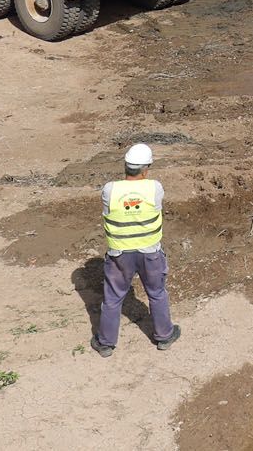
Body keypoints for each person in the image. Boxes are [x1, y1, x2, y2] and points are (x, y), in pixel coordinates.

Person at [93, 142, 180, 356]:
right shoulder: (155, 188)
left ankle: (105, 343)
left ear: (125, 165)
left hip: (119, 255)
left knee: (113, 298)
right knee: (157, 293)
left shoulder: (109, 190)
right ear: (146, 168)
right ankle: (164, 336)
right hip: (150, 252)